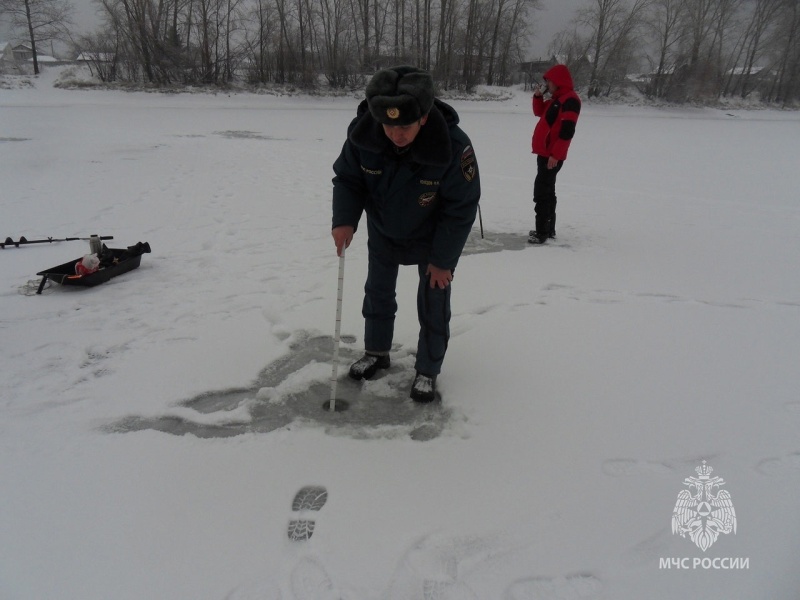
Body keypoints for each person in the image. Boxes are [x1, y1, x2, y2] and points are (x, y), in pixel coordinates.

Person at [331, 65, 481, 402]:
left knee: (433, 300)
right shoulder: (363, 134)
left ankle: (427, 370)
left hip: (432, 235)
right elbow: (348, 180)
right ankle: (377, 352)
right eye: (389, 126)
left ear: (424, 118)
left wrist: (443, 261)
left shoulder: (453, 146)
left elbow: (462, 206)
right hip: (384, 228)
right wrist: (344, 220)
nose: (396, 135)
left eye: (405, 127)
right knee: (378, 292)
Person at [529, 63, 581, 245]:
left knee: (542, 192)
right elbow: (539, 113)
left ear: (558, 82)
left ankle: (542, 232)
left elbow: (567, 131)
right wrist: (537, 97)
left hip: (551, 156)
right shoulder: (556, 100)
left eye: (549, 82)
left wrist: (556, 155)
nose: (547, 85)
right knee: (548, 191)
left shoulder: (570, 100)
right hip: (545, 154)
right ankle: (548, 229)